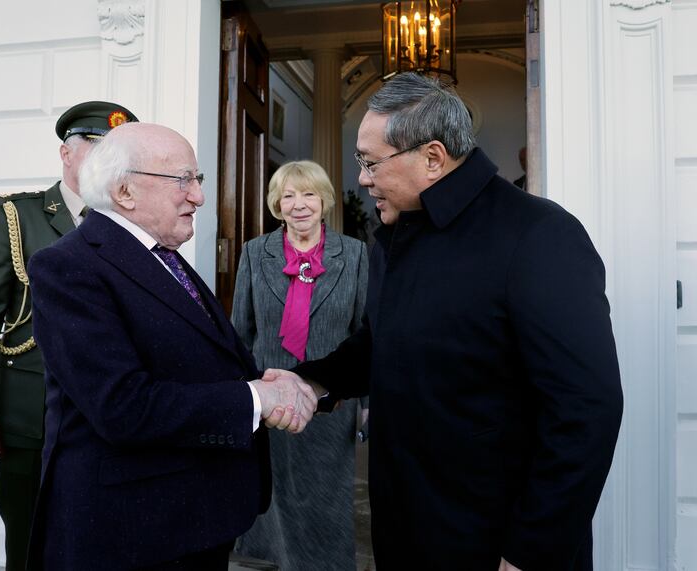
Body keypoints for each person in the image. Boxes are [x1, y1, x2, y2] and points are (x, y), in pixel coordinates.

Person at [265, 73, 623, 571]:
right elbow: (383, 340)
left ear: (433, 158)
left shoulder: (540, 235)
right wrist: (314, 379)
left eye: (370, 163)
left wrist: (530, 551)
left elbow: (586, 409)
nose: (363, 179)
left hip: (493, 541)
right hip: (406, 528)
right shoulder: (393, 234)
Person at [24, 122, 317, 570]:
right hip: (129, 531)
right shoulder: (69, 267)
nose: (198, 196)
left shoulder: (161, 255)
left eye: (196, 180)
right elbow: (123, 406)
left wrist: (265, 381)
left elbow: (200, 360)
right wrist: (258, 397)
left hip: (190, 517)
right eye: (184, 179)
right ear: (125, 191)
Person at [0, 100, 138, 570]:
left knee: (100, 539)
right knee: (30, 538)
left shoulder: (129, 220)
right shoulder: (17, 215)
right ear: (66, 154)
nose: (105, 162)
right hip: (29, 412)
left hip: (109, 413)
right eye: (94, 149)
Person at [232, 161, 368, 571]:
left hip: (330, 402)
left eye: (308, 194)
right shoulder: (256, 252)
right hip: (269, 399)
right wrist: (241, 394)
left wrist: (363, 400)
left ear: (324, 200)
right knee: (271, 495)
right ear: (277, 204)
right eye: (288, 195)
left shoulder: (356, 253)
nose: (299, 205)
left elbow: (365, 335)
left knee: (326, 496)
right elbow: (240, 330)